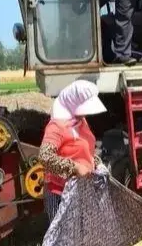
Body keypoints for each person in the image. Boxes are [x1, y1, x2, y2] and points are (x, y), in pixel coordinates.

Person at [38, 80, 109, 223]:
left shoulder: (81, 121)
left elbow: (84, 150)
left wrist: (97, 163)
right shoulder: (57, 126)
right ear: (72, 102)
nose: (85, 114)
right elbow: (45, 157)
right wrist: (75, 167)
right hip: (60, 194)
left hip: (83, 191)